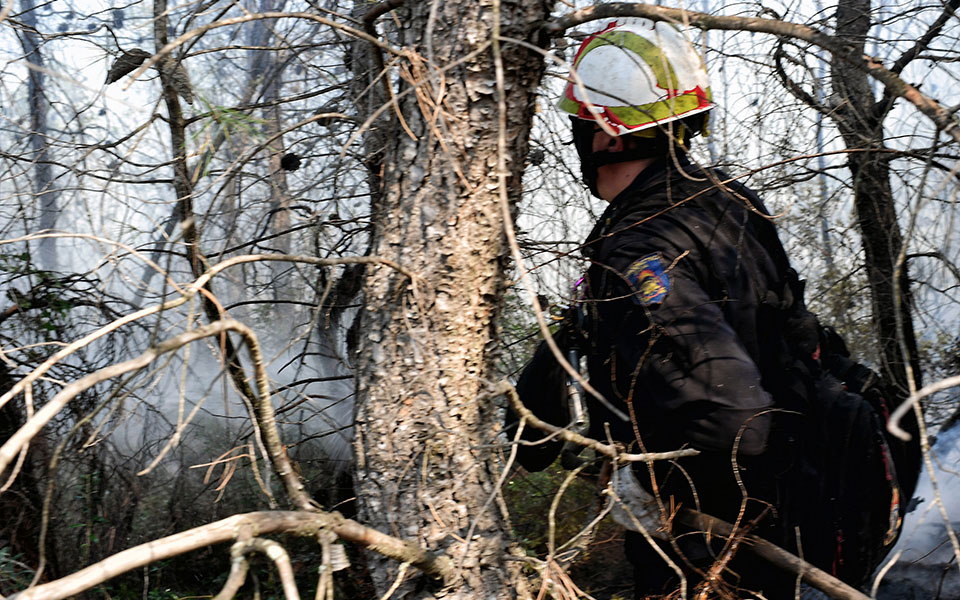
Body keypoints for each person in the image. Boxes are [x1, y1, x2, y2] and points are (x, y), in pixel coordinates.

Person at [509, 18, 919, 598]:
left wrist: (657, 485)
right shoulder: (725, 199)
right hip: (792, 504)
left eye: (580, 120)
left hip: (717, 550)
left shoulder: (639, 250)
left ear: (610, 133)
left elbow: (732, 414)